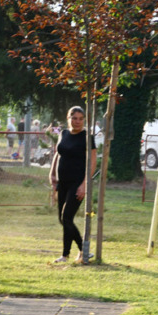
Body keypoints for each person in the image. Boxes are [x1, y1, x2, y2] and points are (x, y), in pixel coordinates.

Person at [48, 106, 96, 264]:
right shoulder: (64, 134)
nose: (78, 122)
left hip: (77, 182)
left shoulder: (87, 137)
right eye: (74, 118)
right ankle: (65, 255)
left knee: (66, 216)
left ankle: (84, 250)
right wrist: (52, 174)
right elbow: (58, 154)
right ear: (68, 119)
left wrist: (84, 184)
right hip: (62, 182)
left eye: (81, 119)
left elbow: (92, 162)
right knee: (63, 219)